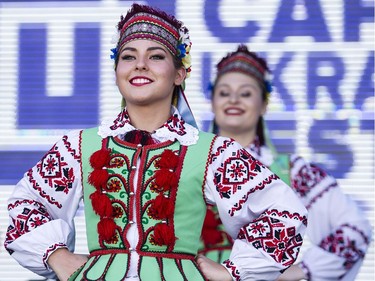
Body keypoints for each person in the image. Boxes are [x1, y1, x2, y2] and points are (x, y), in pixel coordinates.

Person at [4, 4, 308, 281]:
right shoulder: (79, 146)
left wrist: (233, 272)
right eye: (128, 56)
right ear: (116, 72)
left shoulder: (211, 152)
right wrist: (57, 256)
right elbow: (27, 203)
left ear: (179, 74)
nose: (140, 65)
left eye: (156, 56)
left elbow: (284, 213)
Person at [200, 44, 372, 280]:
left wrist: (301, 270)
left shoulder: (292, 171)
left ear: (264, 104)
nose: (234, 100)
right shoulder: (191, 160)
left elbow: (355, 230)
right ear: (212, 102)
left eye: (246, 93)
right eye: (224, 92)